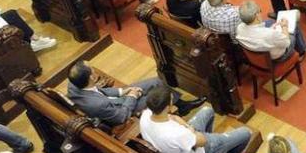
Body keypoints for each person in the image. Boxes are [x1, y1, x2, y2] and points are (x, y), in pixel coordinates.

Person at [139, 86, 252, 153]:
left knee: (208, 110)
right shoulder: (175, 133)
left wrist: (188, 127)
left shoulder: (145, 115)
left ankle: (215, 148)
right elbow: (202, 141)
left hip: (185, 144)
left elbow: (172, 117)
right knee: (246, 133)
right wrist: (191, 131)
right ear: (168, 106)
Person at [67, 60, 205, 129]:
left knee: (156, 82)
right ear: (91, 78)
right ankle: (179, 106)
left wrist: (123, 91)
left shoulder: (74, 84)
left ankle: (181, 105)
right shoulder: (97, 104)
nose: (95, 70)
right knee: (158, 93)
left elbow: (99, 90)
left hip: (118, 98)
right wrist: (132, 96)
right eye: (92, 70)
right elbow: (121, 117)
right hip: (123, 109)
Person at [236, 0, 306, 61]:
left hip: (257, 56)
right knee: (293, 26)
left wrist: (271, 30)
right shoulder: (270, 34)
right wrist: (284, 26)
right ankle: (303, 49)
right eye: (260, 11)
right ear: (257, 16)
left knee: (269, 22)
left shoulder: (239, 28)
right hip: (277, 56)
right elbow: (286, 42)